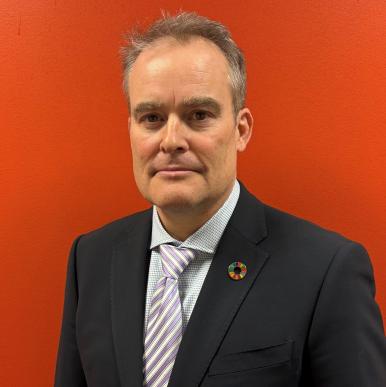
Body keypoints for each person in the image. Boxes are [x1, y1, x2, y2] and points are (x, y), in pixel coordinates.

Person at [54, 11, 386, 387]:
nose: (172, 140)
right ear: (130, 129)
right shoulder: (91, 259)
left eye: (198, 115)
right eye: (151, 118)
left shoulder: (327, 271)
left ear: (241, 130)